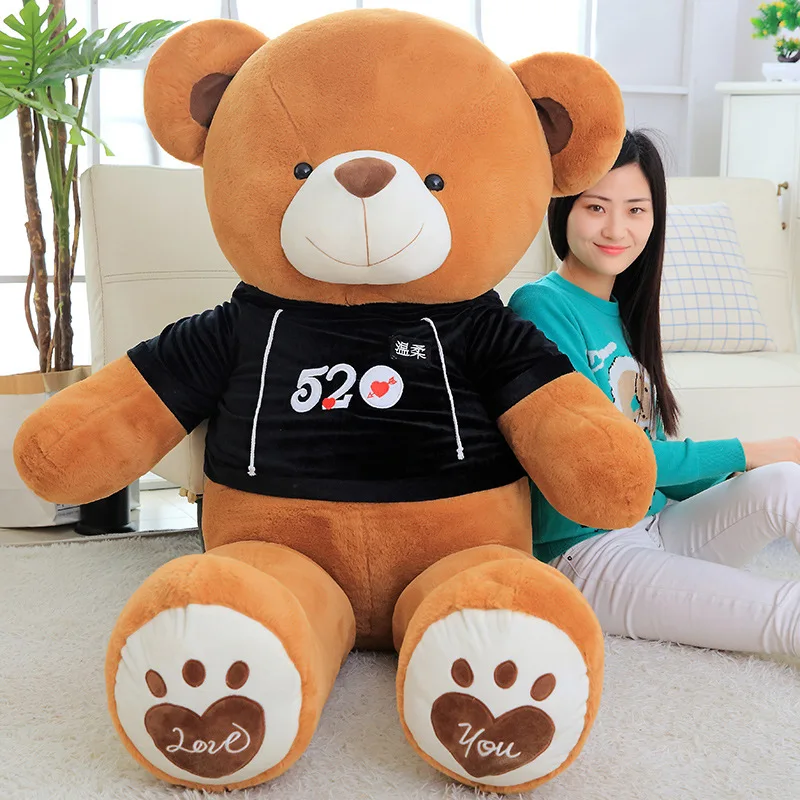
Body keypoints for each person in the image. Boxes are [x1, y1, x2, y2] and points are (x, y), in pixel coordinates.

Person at [509, 129, 800, 656]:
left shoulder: (626, 312)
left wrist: (745, 473)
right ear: (565, 208)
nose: (616, 228)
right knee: (785, 612)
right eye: (596, 207)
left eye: (636, 210)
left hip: (658, 525)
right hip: (587, 553)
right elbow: (603, 463)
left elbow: (652, 453)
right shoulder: (541, 306)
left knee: (784, 481)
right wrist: (747, 451)